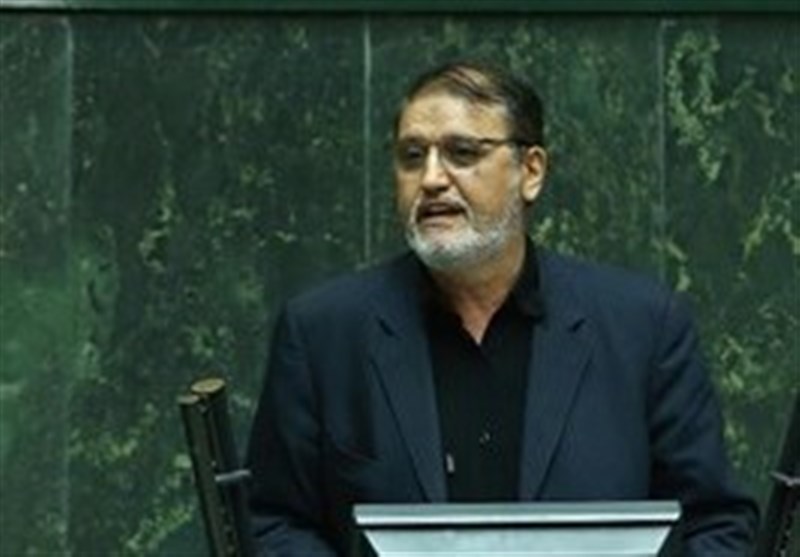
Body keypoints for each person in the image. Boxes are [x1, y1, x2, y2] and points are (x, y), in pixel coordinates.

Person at [245, 61, 758, 556]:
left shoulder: (644, 327)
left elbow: (715, 524)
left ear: (530, 172)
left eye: (462, 153)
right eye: (412, 156)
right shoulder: (323, 333)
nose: (431, 179)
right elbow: (274, 523)